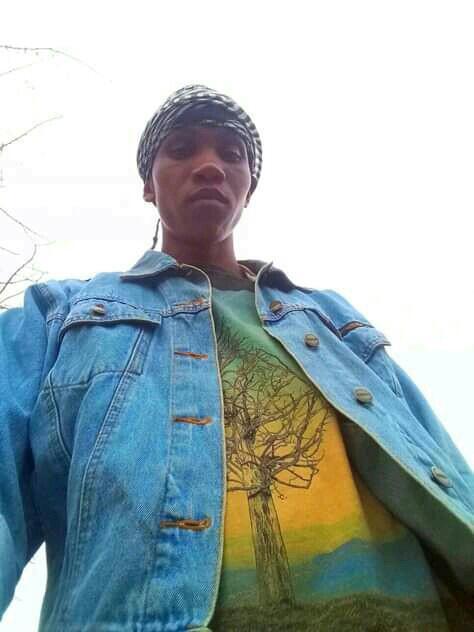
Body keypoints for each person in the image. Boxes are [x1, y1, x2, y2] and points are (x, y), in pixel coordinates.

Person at [0, 84, 473, 632]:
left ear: (249, 187)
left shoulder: (331, 318)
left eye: (231, 153)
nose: (210, 166)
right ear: (148, 185)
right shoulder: (58, 316)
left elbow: (438, 460)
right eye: (182, 148)